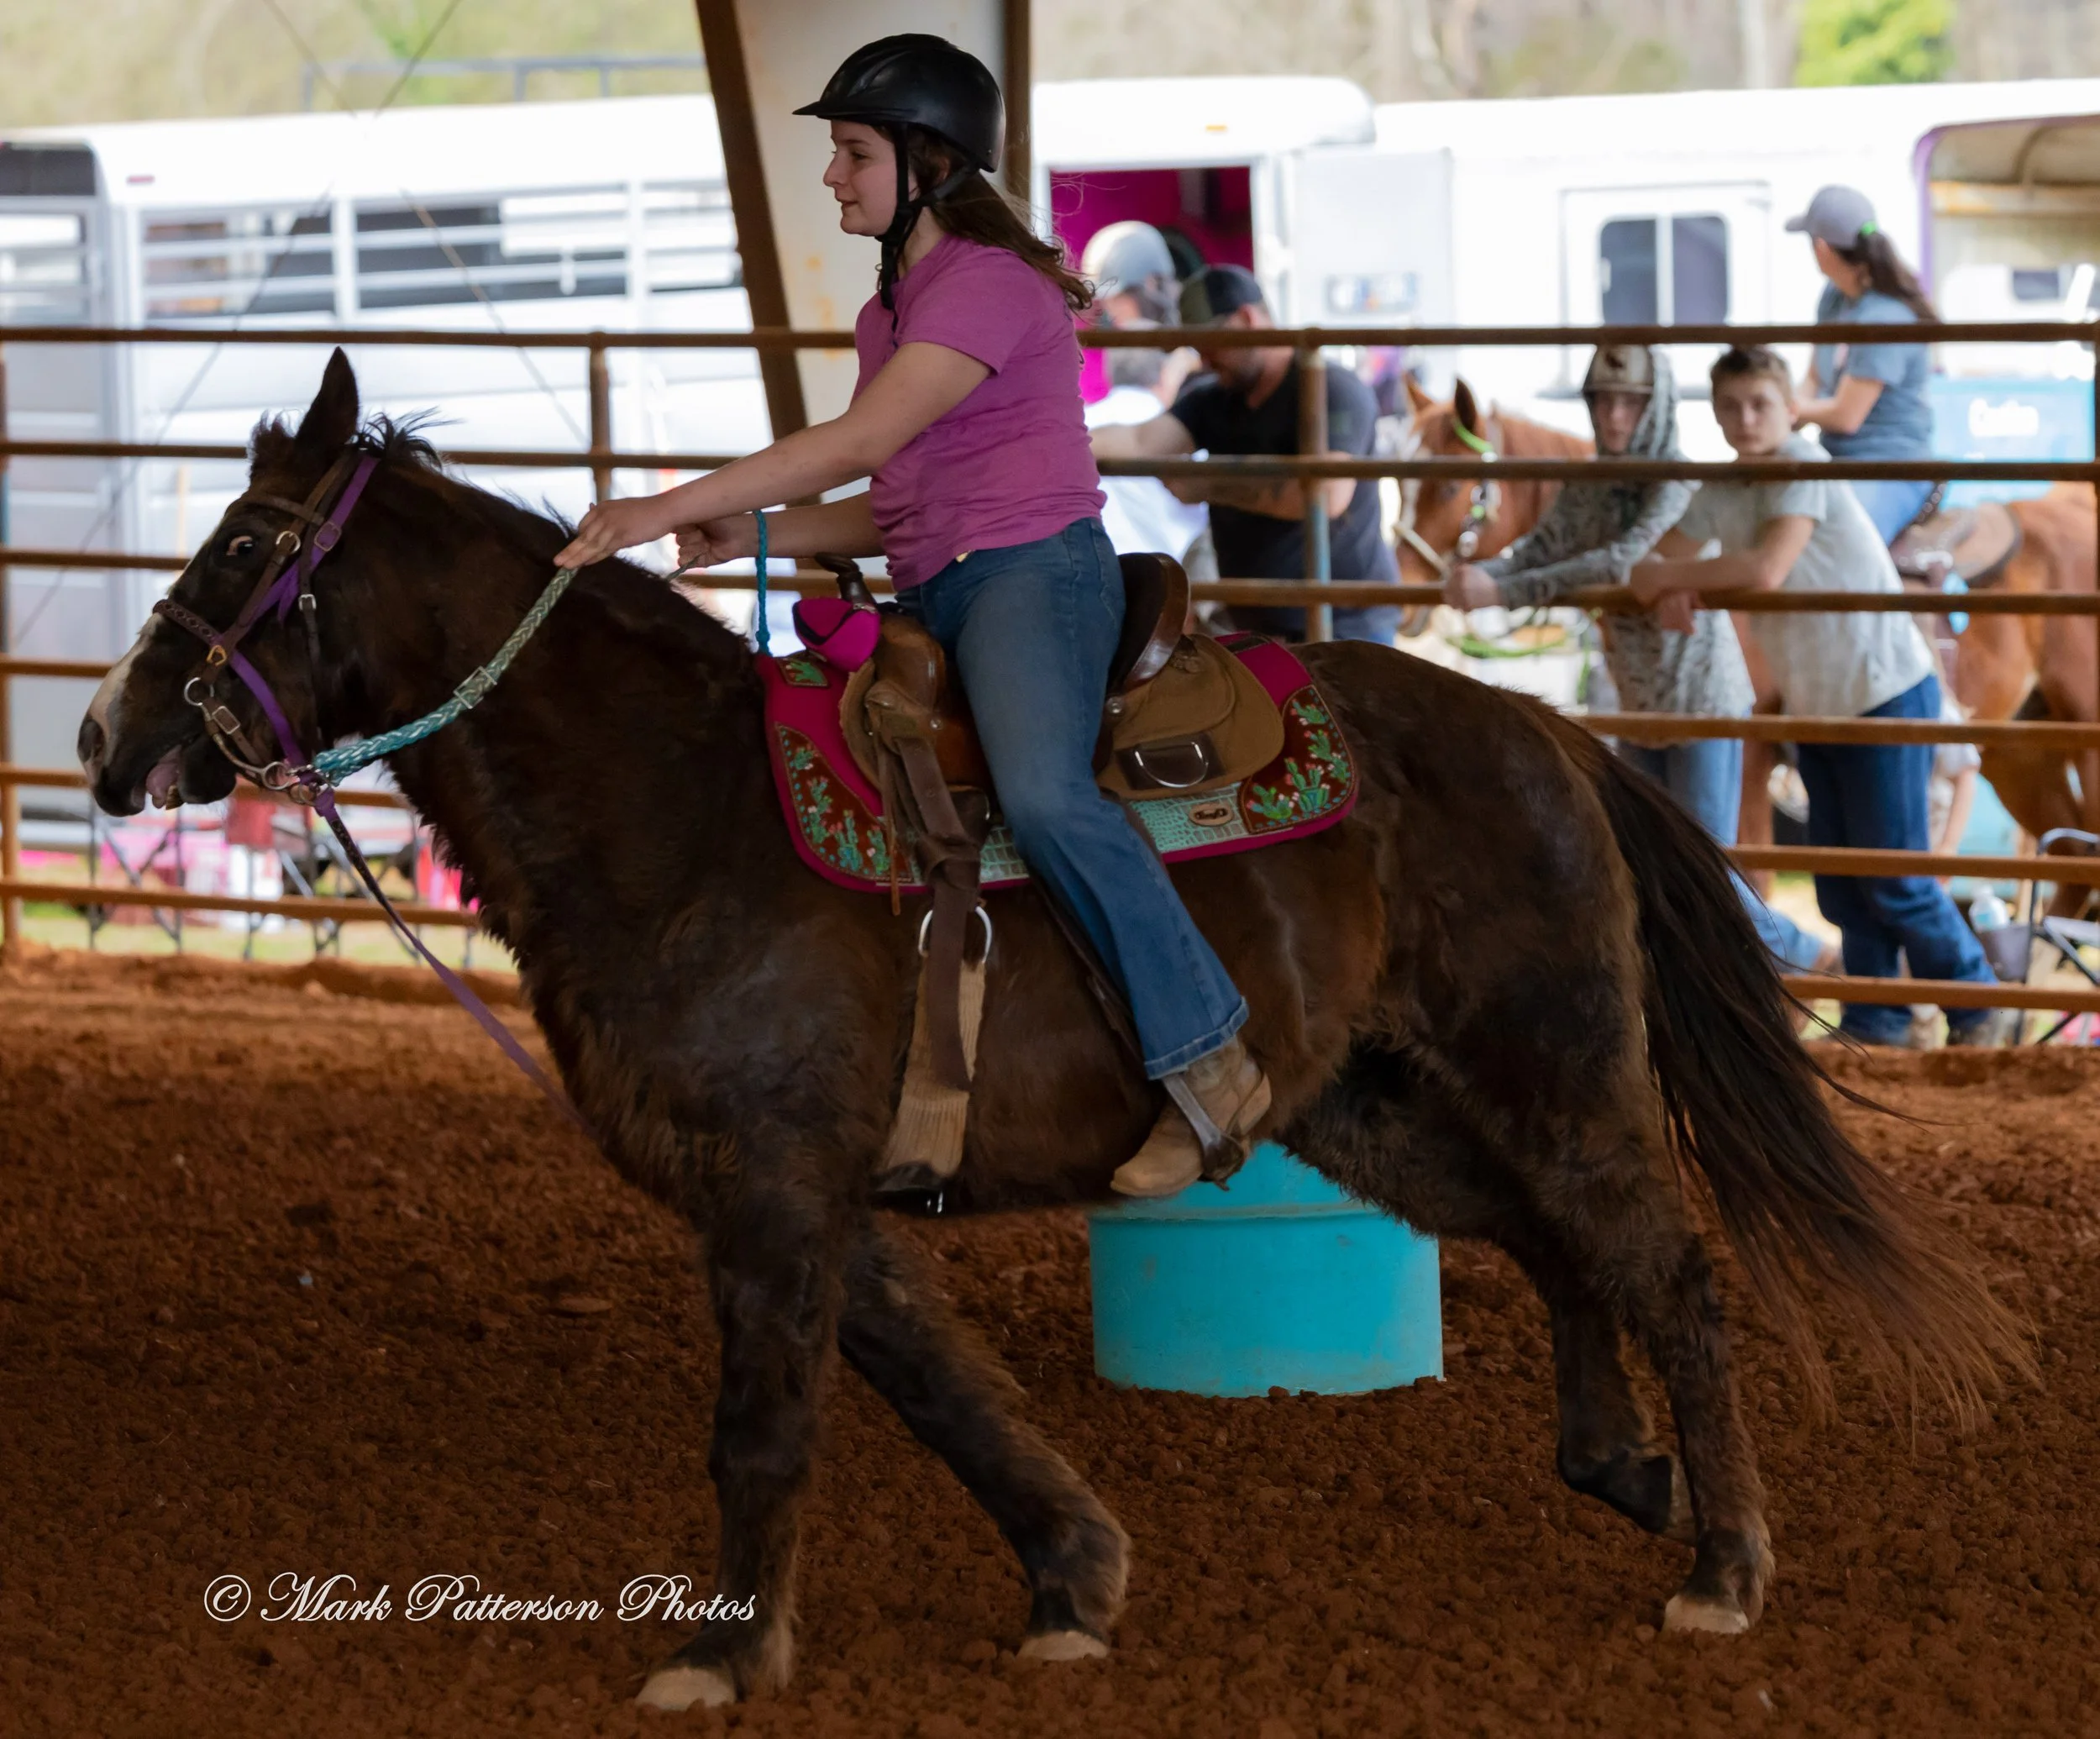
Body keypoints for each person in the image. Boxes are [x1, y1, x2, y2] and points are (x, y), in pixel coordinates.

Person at [551, 34, 1268, 1196]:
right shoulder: (893, 317)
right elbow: (896, 499)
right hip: (950, 584)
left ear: (928, 165)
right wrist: (756, 534)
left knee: (1044, 797)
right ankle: (923, 1089)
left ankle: (1214, 1059)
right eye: (837, 154)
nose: (833, 176)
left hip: (1036, 576)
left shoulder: (985, 285)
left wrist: (661, 507)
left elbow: (859, 443)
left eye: (853, 153)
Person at [1630, 346, 2007, 1045]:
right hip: (1822, 702)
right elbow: (1660, 555)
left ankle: (1977, 1004)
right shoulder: (1729, 487)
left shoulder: (1801, 467)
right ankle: (1877, 1019)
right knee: (1840, 877)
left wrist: (1680, 584)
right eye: (1731, 406)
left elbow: (1768, 569)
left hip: (1882, 692)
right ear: (1715, 413)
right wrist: (1666, 576)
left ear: (1787, 407)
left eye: (1760, 404)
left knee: (1894, 874)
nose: (1745, 419)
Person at [1441, 345, 1824, 972]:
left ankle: (1809, 959)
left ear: (1657, 405)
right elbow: (1544, 547)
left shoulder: (1673, 477)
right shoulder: (1591, 481)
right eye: (1602, 400)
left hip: (1698, 690)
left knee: (1699, 869)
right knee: (1650, 860)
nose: (1615, 415)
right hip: (1637, 697)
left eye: (1630, 401)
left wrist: (1502, 589)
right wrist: (1481, 570)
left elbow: (1625, 563)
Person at [1089, 264, 1401, 644]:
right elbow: (1141, 441)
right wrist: (1056, 440)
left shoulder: (1331, 387)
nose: (1203, 359)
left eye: (1210, 342)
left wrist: (1210, 484)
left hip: (1346, 628)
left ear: (1247, 318)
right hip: (1255, 627)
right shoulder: (1212, 399)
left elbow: (1328, 493)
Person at [1787, 185, 1940, 544]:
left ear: (1821, 248)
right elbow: (1813, 377)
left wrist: (1788, 410)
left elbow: (1846, 415)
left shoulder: (1884, 317)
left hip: (1891, 467)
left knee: (1845, 541)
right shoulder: (1834, 299)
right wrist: (1787, 416)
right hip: (1841, 460)